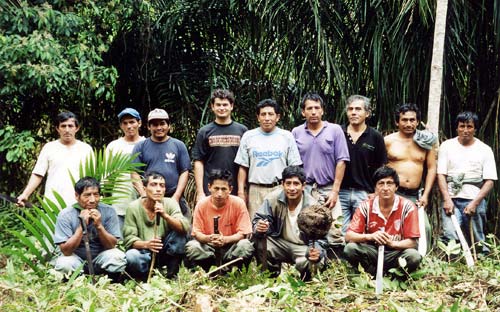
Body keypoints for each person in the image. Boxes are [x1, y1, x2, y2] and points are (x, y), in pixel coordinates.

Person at [437, 112, 497, 256]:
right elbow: (441, 174)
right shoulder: (447, 146)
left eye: (469, 126)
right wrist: (446, 199)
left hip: (474, 198)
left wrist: (475, 203)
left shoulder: (484, 150)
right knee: (450, 233)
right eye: (462, 126)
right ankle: (453, 262)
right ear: (457, 128)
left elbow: (490, 181)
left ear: (475, 129)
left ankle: (480, 260)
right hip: (451, 198)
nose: (465, 130)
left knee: (476, 236)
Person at [344, 166, 421, 276]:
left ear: (396, 187)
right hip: (372, 251)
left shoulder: (408, 207)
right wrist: (370, 236)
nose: (385, 188)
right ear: (375, 187)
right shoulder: (365, 206)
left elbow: (412, 243)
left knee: (413, 256)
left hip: (396, 253)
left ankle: (396, 277)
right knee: (350, 249)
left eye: (389, 183)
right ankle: (370, 274)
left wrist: (393, 244)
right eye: (381, 183)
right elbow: (349, 236)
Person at [253, 166, 326, 280]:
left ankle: (306, 280)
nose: (292, 188)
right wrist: (259, 227)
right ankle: (269, 277)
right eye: (288, 183)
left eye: (296, 184)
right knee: (262, 241)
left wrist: (317, 252)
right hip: (281, 243)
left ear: (303, 186)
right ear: (283, 184)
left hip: (303, 246)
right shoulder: (272, 199)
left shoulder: (313, 206)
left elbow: (323, 238)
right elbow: (259, 219)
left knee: (312, 262)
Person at [235, 99, 302, 218]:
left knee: (280, 225)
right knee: (256, 226)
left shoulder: (287, 136)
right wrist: (241, 192)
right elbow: (243, 166)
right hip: (255, 190)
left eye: (270, 114)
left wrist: (292, 189)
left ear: (277, 117)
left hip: (279, 189)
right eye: (263, 114)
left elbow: (294, 167)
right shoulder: (249, 136)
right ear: (258, 117)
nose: (267, 118)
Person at [385, 103, 436, 252]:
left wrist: (426, 195)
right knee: (391, 226)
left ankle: (420, 260)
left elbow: (432, 168)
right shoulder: (388, 141)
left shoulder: (425, 141)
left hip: (414, 195)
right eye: (404, 120)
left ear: (418, 121)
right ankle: (389, 260)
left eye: (412, 120)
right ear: (397, 122)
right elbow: (380, 169)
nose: (408, 124)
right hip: (393, 193)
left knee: (423, 228)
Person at [52, 177, 126, 277]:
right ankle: (76, 279)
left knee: (118, 257)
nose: (92, 200)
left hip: (100, 259)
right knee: (64, 264)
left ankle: (110, 279)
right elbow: (66, 251)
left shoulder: (109, 211)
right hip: (75, 259)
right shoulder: (66, 215)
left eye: (96, 195)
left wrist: (99, 226)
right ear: (77, 196)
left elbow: (111, 245)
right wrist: (81, 226)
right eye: (87, 195)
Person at [17, 111, 93, 207]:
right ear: (57, 128)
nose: (67, 130)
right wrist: (25, 194)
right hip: (52, 205)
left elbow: (91, 179)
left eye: (70, 126)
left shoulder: (86, 149)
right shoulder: (49, 147)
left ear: (77, 128)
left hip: (78, 206)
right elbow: (38, 174)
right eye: (63, 126)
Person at [123, 171, 189, 279]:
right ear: (144, 188)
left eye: (162, 186)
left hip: (165, 251)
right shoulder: (133, 207)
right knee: (131, 256)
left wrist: (165, 215)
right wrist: (147, 244)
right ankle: (143, 278)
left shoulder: (170, 203)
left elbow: (184, 227)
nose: (158, 189)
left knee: (179, 234)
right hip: (145, 252)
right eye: (153, 185)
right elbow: (129, 239)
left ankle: (171, 275)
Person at [185, 169, 254, 272]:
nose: (219, 193)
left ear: (230, 189)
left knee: (245, 245)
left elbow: (243, 234)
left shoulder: (238, 203)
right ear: (209, 187)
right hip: (209, 248)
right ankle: (208, 269)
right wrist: (209, 238)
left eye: (223, 189)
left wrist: (225, 239)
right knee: (192, 247)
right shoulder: (201, 204)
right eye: (216, 188)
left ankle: (231, 270)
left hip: (230, 247)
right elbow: (197, 233)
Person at [292, 92, 350, 212]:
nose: (313, 112)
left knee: (334, 228)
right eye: (309, 108)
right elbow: (293, 164)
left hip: (328, 189)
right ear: (303, 112)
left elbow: (341, 161)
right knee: (303, 227)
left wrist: (335, 191)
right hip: (304, 189)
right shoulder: (296, 132)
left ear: (322, 111)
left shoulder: (335, 130)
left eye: (317, 108)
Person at [131, 108, 191, 220]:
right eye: (154, 124)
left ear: (168, 126)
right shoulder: (141, 146)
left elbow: (184, 172)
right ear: (149, 127)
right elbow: (134, 172)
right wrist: (144, 194)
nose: (159, 128)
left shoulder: (178, 145)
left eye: (162, 124)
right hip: (148, 198)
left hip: (173, 197)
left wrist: (176, 197)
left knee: (181, 230)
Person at [339, 95, 387, 234]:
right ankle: (340, 255)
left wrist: (376, 192)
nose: (353, 112)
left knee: (362, 230)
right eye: (350, 109)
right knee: (339, 230)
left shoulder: (375, 136)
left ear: (367, 113)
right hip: (340, 191)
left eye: (358, 109)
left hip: (364, 192)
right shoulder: (338, 133)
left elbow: (381, 168)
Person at [192, 89, 247, 204]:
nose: (222, 108)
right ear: (212, 107)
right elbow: (198, 162)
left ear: (231, 106)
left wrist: (243, 191)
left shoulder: (242, 131)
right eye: (218, 105)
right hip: (211, 188)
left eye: (225, 104)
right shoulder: (204, 132)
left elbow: (246, 163)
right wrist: (200, 192)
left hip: (235, 189)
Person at [106, 108, 145, 230]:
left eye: (132, 122)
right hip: (119, 204)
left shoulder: (148, 143)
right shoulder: (114, 146)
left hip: (143, 203)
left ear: (139, 123)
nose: (129, 126)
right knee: (119, 244)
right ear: (121, 126)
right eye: (125, 123)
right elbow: (107, 177)